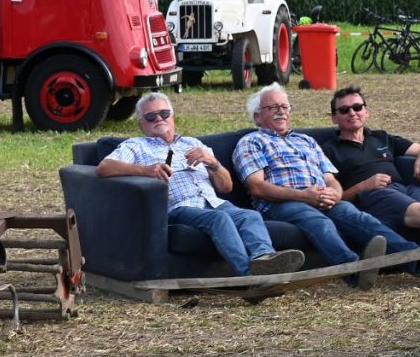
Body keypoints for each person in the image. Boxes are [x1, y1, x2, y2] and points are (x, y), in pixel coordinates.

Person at [232, 83, 420, 290]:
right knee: (318, 221)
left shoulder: (305, 141)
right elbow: (257, 187)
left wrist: (335, 194)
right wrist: (304, 196)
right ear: (258, 116)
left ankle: (417, 259)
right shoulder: (250, 142)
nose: (281, 111)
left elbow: (331, 178)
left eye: (285, 106)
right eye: (272, 107)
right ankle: (353, 270)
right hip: (282, 203)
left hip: (320, 197)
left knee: (358, 217)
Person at [97, 92, 305, 277]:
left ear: (173, 117)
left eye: (164, 113)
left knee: (249, 215)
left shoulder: (194, 144)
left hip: (213, 201)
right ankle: (248, 276)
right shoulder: (136, 145)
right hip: (179, 207)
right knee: (219, 219)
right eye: (151, 116)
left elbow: (226, 187)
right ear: (141, 124)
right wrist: (146, 170)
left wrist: (212, 163)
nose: (159, 118)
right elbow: (104, 168)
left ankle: (265, 260)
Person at [322, 86, 420, 244]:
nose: (352, 113)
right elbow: (334, 198)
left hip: (405, 190)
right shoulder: (329, 151)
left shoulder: (381, 137)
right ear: (334, 118)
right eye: (344, 110)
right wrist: (364, 186)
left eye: (357, 107)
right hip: (374, 196)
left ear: (366, 112)